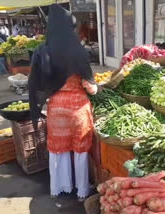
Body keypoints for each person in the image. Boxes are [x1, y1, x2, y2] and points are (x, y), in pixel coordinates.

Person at [28, 4, 100, 201]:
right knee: (80, 148)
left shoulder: (42, 50)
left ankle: (60, 186)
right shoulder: (79, 51)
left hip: (56, 108)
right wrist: (96, 87)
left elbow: (37, 82)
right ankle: (82, 189)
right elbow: (90, 87)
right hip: (78, 109)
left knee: (58, 148)